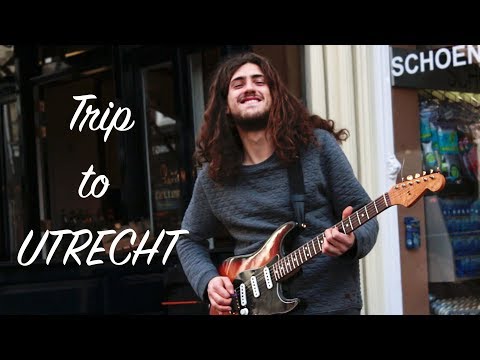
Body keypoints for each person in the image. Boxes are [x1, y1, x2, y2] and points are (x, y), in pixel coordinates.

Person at [175, 52, 379, 315]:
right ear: (225, 105)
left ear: (274, 95)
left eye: (259, 81)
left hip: (331, 308)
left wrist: (352, 242)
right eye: (238, 84)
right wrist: (208, 282)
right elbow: (188, 239)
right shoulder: (213, 177)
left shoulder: (317, 148)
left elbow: (366, 214)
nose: (249, 87)